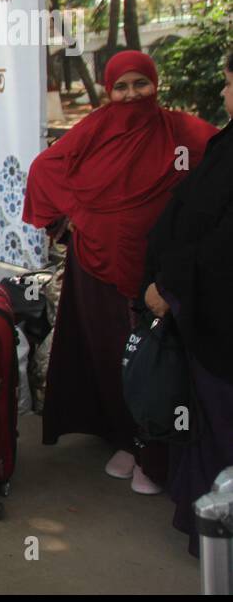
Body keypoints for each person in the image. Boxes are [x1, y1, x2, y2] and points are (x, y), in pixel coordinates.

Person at [25, 49, 218, 495]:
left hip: (161, 275)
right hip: (98, 269)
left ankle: (159, 453)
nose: (132, 95)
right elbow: (45, 170)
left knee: (160, 362)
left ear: (156, 85)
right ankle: (124, 440)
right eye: (121, 87)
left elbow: (219, 173)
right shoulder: (95, 127)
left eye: (141, 84)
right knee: (116, 357)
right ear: (109, 92)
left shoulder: (184, 132)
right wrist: (81, 212)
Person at [143, 52, 233, 553]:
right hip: (208, 311)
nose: (222, 94)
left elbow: (221, 244)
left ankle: (220, 539)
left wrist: (171, 288)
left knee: (220, 428)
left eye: (226, 83)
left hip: (218, 324)